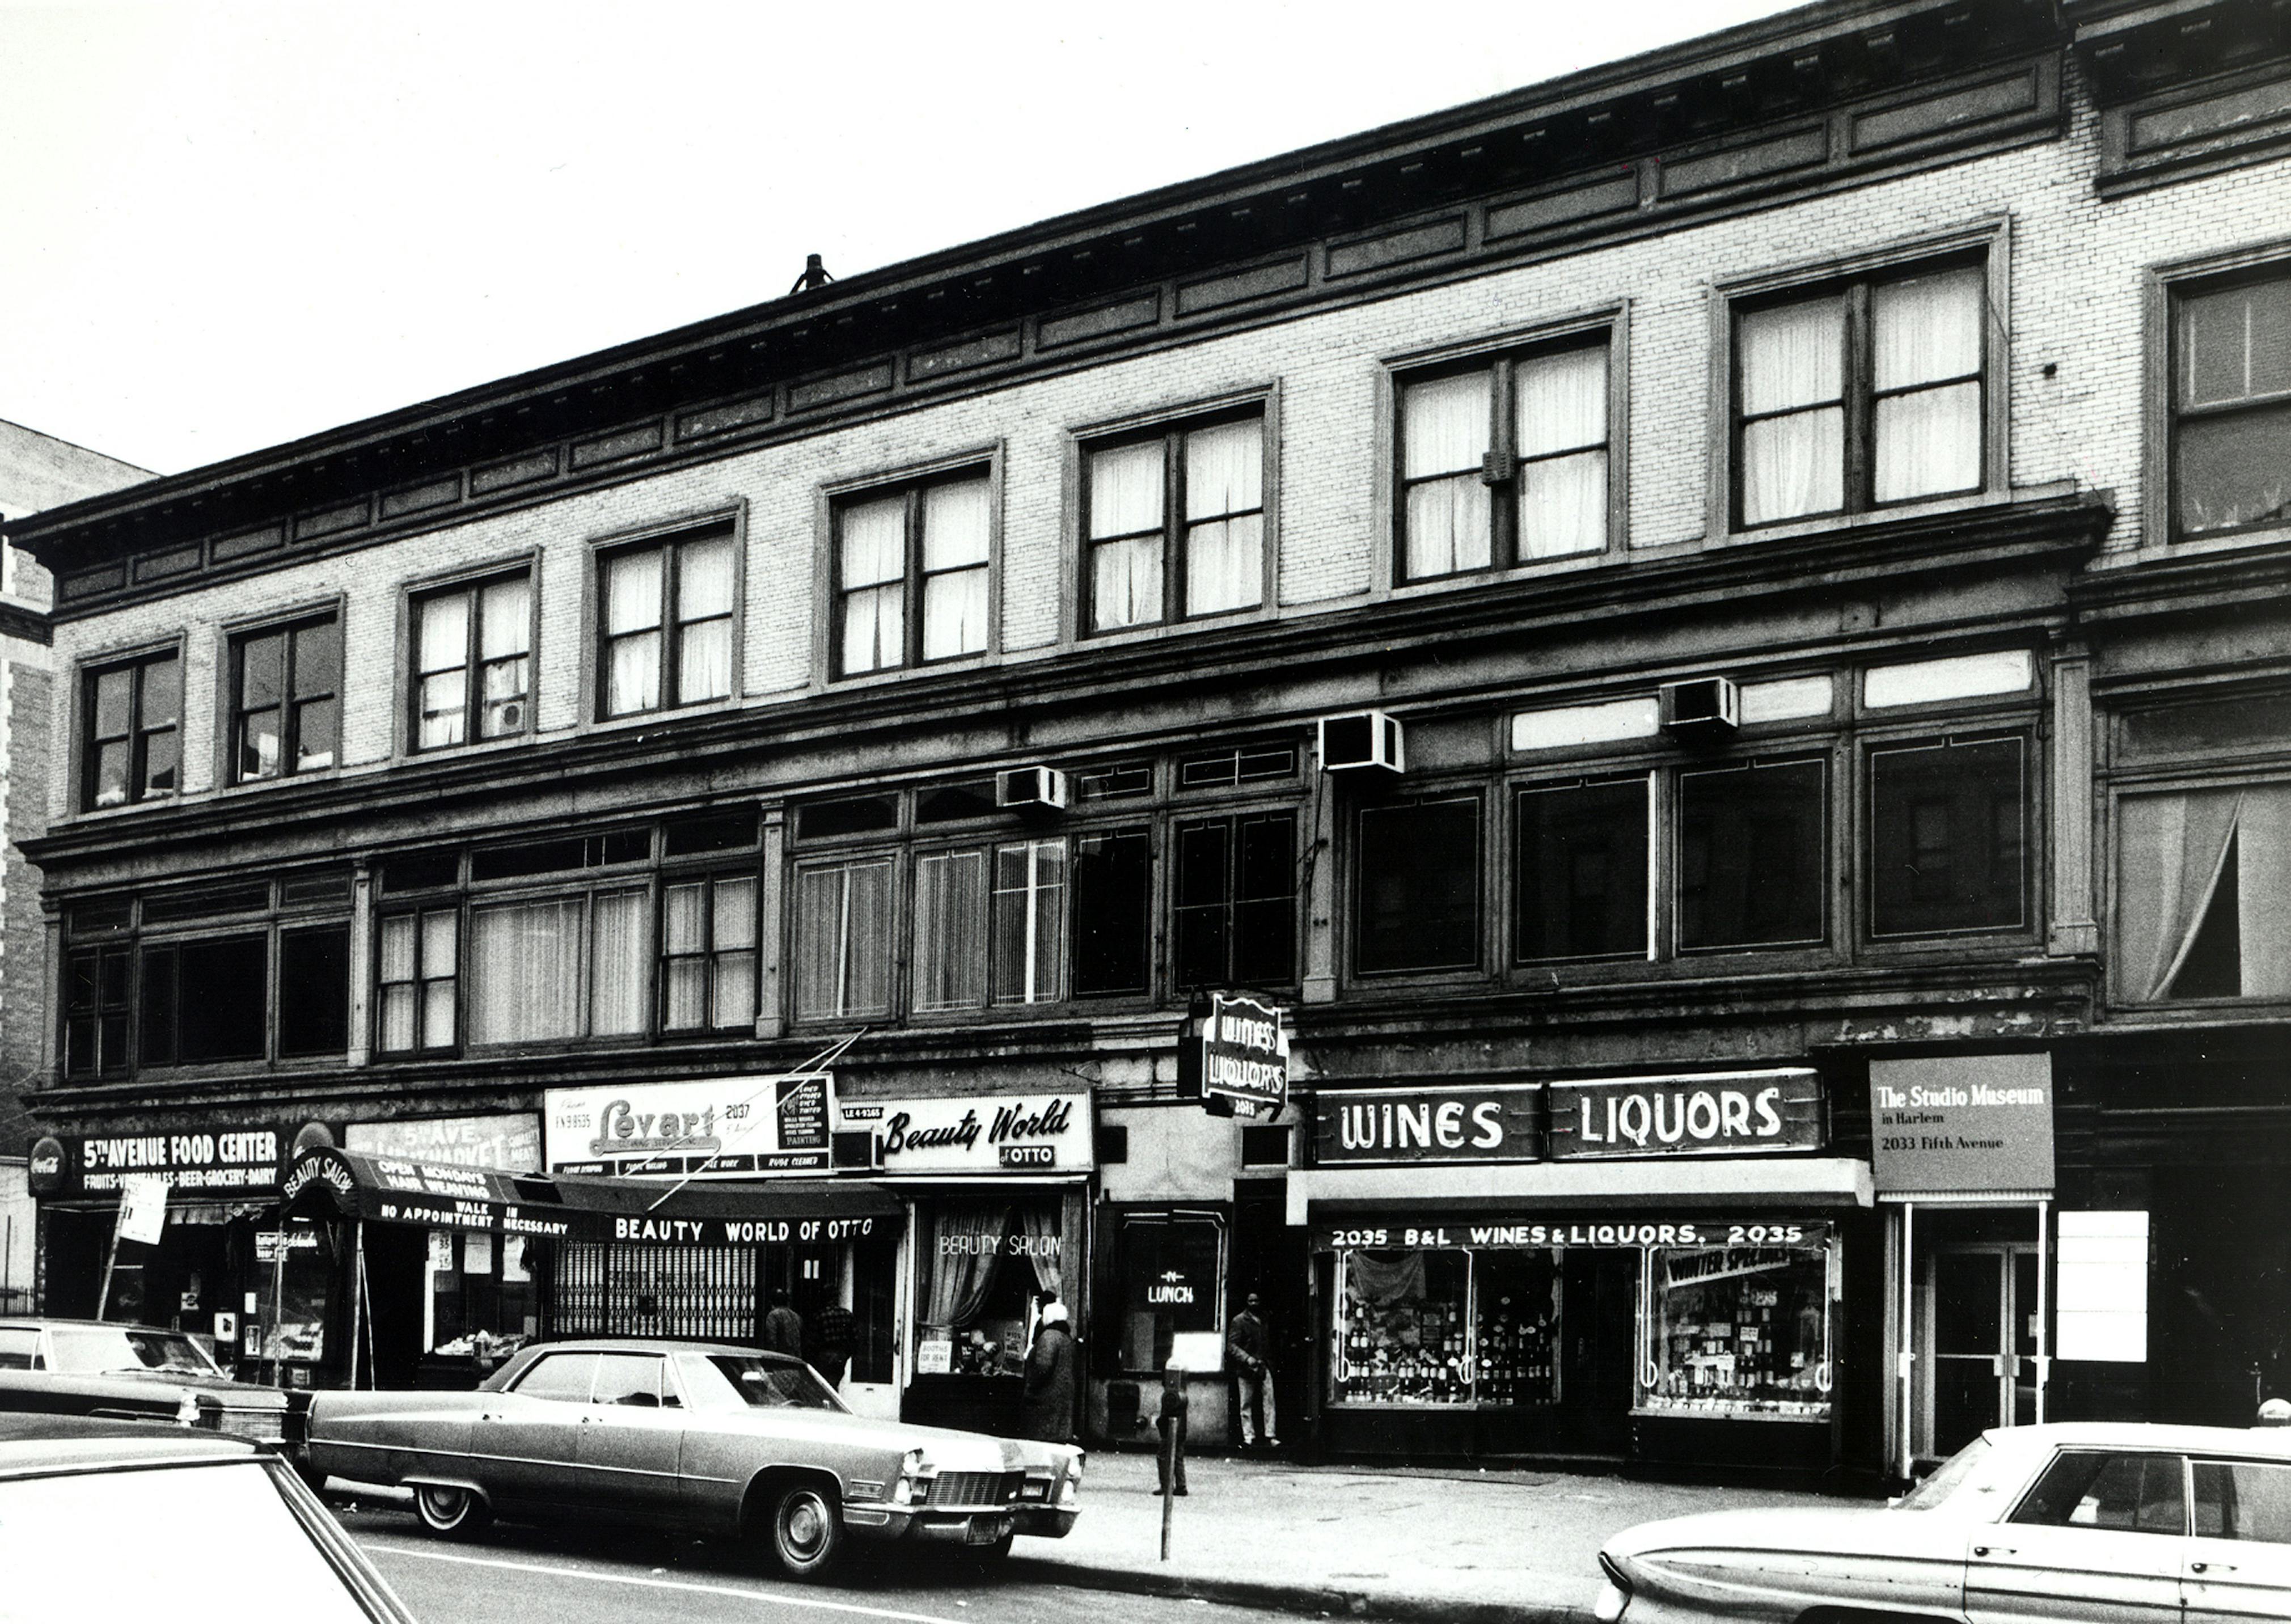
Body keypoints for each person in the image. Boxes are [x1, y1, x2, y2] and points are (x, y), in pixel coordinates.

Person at [1020, 1301, 1077, 1442]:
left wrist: (1031, 1388)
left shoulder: (1049, 1337)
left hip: (1046, 1396)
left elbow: (1043, 1367)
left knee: (1043, 1438)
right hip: (1062, 1395)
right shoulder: (1067, 1338)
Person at [1227, 1292, 1278, 1451]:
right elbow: (1232, 1345)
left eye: (1256, 1300)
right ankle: (1248, 1436)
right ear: (1247, 1302)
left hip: (1263, 1365)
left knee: (1269, 1400)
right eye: (1251, 1301)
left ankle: (1271, 1435)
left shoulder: (1265, 1319)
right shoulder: (1239, 1321)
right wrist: (1247, 1358)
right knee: (1246, 1403)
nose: (1254, 1303)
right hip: (1247, 1367)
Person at [1155, 1360, 1189, 1495]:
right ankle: (1181, 1485)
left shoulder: (1171, 1396)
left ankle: (1166, 1485)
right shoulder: (1183, 1394)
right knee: (1178, 1457)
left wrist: (1160, 1423)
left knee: (1163, 1456)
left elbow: (1165, 1415)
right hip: (1181, 1429)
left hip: (1170, 1429)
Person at [809, 1300, 856, 1389]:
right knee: (835, 1380)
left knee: (824, 1383)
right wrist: (846, 1354)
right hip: (841, 1353)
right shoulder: (847, 1315)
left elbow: (813, 1339)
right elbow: (854, 1337)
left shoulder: (820, 1316)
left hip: (825, 1353)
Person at [762, 1289, 804, 1359]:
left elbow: (771, 1338)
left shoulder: (773, 1315)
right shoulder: (796, 1316)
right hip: (796, 1356)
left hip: (781, 1356)